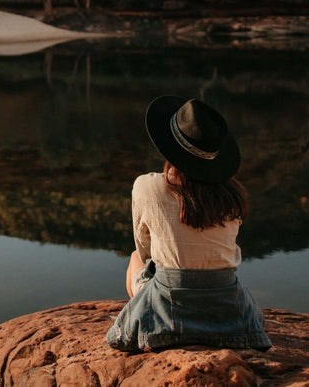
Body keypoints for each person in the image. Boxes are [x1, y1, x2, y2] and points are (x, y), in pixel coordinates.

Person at [106, 96, 272, 353]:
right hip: (227, 304)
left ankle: (154, 321)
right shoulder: (233, 195)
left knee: (134, 261)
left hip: (168, 305)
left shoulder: (146, 186)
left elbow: (144, 250)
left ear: (169, 148)